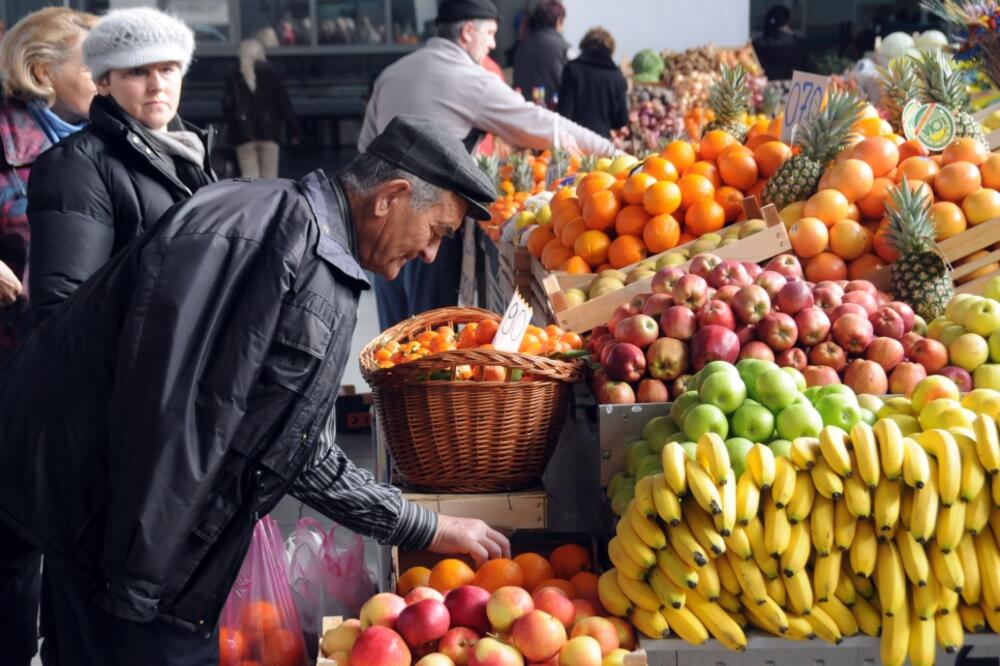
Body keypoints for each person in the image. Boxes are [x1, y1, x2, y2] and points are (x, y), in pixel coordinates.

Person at [0, 115, 510, 664]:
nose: (431, 254)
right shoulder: (296, 255)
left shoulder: (279, 215)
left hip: (80, 492)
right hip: (104, 511)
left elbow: (263, 427)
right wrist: (141, 590)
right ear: (392, 196)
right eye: (436, 233)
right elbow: (234, 436)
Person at [358, 0, 615, 331]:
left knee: (392, 335)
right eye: (490, 33)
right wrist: (609, 148)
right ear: (467, 31)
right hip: (428, 228)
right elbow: (541, 124)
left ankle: (390, 382)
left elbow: (365, 146)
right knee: (429, 332)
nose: (493, 43)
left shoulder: (391, 73)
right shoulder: (470, 79)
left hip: (379, 222)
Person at [0, 9, 98, 666]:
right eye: (96, 65)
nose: (115, 77)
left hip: (72, 367)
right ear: (42, 71)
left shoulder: (112, 138)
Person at [27, 7, 216, 325]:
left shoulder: (192, 153)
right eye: (138, 71)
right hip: (137, 368)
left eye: (168, 69)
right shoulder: (75, 165)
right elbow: (64, 309)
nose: (157, 85)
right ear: (103, 82)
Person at [0, 8, 98, 361]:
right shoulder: (4, 139)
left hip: (94, 353)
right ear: (44, 71)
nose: (106, 79)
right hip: (17, 350)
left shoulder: (122, 139)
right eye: (91, 67)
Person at [222, 37, 301, 179]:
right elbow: (284, 104)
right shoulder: (271, 74)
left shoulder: (233, 76)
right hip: (269, 133)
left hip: (244, 134)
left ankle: (252, 201)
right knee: (270, 179)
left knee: (250, 178)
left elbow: (227, 107)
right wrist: (295, 130)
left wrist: (234, 124)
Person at [557, 27, 628, 138]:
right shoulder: (617, 77)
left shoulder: (572, 70)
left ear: (584, 46)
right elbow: (621, 120)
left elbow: (564, 113)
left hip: (574, 141)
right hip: (602, 143)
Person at [512, 0, 569, 107]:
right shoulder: (562, 46)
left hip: (522, 106)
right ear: (558, 21)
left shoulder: (523, 44)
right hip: (550, 107)